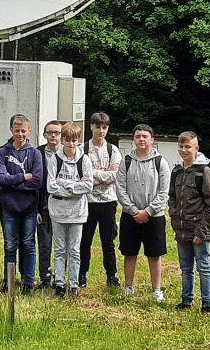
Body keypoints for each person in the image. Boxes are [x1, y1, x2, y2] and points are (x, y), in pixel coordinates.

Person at [115, 124, 171, 303]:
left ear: (152, 140)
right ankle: (128, 287)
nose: (141, 139)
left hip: (154, 217)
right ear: (134, 139)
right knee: (129, 252)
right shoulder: (126, 161)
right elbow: (120, 188)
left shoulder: (160, 162)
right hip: (129, 216)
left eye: (145, 136)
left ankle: (156, 290)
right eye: (138, 136)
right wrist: (133, 210)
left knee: (154, 254)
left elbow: (164, 192)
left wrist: (147, 211)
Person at [170, 131, 210, 314]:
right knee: (185, 267)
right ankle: (186, 300)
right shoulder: (177, 171)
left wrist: (202, 231)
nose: (184, 150)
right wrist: (174, 216)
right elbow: (172, 198)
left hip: (199, 229)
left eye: (188, 146)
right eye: (181, 146)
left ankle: (207, 303)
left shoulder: (204, 172)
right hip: (182, 228)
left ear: (196, 148)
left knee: (203, 267)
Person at [0, 114, 42, 295]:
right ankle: (9, 281)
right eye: (17, 130)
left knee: (29, 245)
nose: (20, 134)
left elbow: (37, 181)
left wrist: (12, 182)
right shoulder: (2, 152)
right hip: (9, 207)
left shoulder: (35, 153)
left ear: (29, 131)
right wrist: (23, 177)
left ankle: (28, 282)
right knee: (10, 245)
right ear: (12, 130)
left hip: (29, 207)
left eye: (23, 131)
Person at [46, 122, 93, 298]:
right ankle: (59, 283)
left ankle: (73, 284)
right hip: (58, 211)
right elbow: (51, 186)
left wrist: (66, 185)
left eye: (74, 140)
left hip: (77, 212)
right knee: (59, 249)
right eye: (68, 140)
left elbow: (88, 185)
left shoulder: (84, 160)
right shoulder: (54, 159)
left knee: (74, 250)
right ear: (62, 140)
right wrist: (75, 186)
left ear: (78, 140)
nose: (71, 144)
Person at [79, 111, 122, 288]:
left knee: (108, 241)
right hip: (87, 202)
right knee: (84, 241)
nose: (101, 131)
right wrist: (101, 175)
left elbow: (115, 175)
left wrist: (93, 175)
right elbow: (81, 174)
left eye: (104, 127)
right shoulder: (82, 149)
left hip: (108, 202)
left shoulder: (113, 150)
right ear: (91, 127)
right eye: (98, 127)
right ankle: (81, 275)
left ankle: (111, 276)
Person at [36, 120, 63, 288]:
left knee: (63, 246)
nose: (53, 135)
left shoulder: (70, 153)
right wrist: (36, 208)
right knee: (44, 244)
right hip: (44, 206)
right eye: (50, 132)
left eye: (57, 132)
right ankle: (45, 279)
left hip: (64, 207)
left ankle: (60, 278)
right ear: (44, 134)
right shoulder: (37, 153)